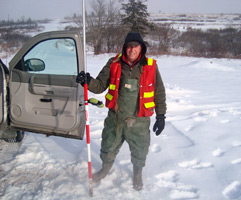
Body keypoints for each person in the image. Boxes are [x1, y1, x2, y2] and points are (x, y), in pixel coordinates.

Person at [76, 32, 166, 191]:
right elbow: (99, 86)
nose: (132, 50)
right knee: (108, 145)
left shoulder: (151, 66)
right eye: (129, 46)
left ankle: (137, 174)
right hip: (115, 117)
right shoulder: (114, 63)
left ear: (141, 48)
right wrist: (88, 81)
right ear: (125, 48)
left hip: (139, 120)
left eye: (135, 46)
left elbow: (159, 92)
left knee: (140, 149)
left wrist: (161, 116)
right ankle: (105, 170)